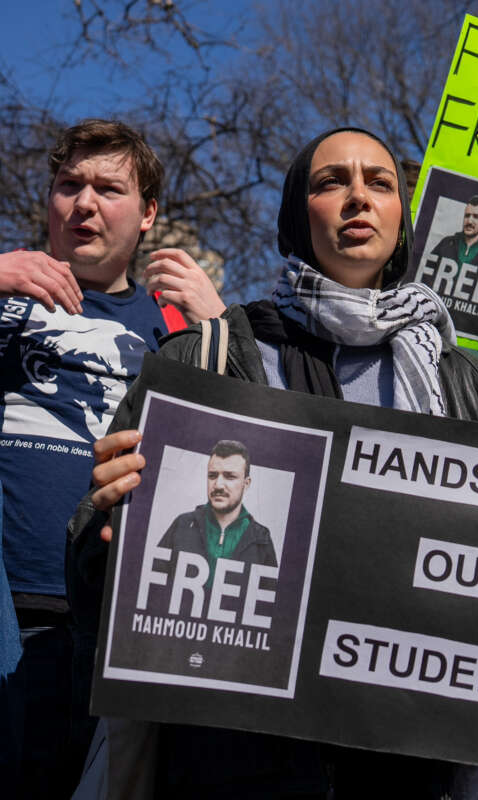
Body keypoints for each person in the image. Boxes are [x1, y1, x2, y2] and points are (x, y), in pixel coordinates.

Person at [69, 127, 478, 799]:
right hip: (235, 757)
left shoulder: (465, 386)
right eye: (330, 182)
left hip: (410, 767)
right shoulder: (205, 360)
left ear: (403, 220)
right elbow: (93, 577)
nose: (357, 199)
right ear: (297, 213)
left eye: (379, 183)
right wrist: (111, 524)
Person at [0, 118, 223, 798]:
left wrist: (220, 337)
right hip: (10, 612)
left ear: (149, 214)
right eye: (69, 185)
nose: (84, 203)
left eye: (108, 188)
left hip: (116, 631)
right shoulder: (6, 291)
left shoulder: (176, 327)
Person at [158, 440, 277, 574]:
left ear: (246, 483)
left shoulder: (261, 539)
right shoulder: (182, 524)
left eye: (230, 477)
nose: (218, 485)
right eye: (212, 476)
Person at [427, 194, 478, 276]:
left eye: (476, 217)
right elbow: (425, 270)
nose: (469, 221)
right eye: (467, 215)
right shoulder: (446, 242)